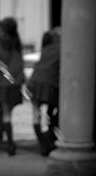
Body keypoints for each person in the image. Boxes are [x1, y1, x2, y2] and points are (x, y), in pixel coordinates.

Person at [0, 17, 24, 156]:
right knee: (6, 114)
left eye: (1, 30)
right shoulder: (17, 43)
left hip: (2, 83)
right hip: (15, 81)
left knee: (5, 114)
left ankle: (9, 145)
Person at [27, 28, 61, 156]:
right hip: (51, 84)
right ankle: (49, 140)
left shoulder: (46, 49)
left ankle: (43, 144)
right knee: (54, 111)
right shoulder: (62, 48)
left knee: (36, 115)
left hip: (35, 82)